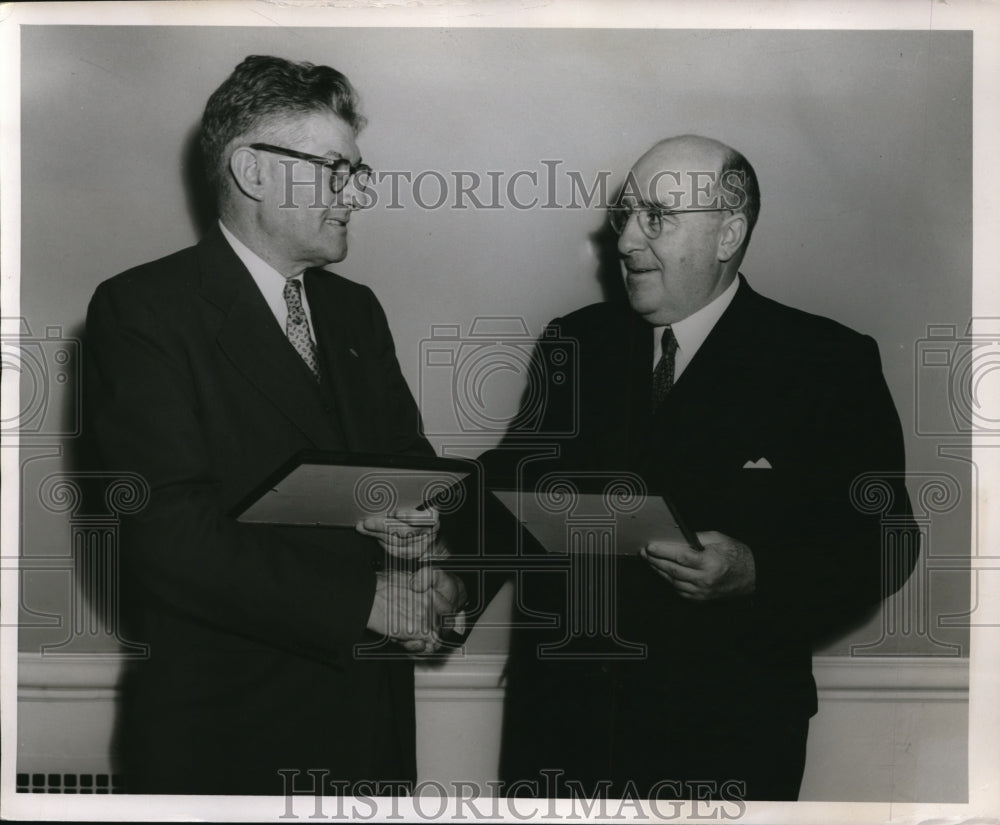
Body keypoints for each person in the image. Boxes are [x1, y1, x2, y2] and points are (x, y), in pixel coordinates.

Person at [488, 135, 919, 802]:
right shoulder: (575, 342)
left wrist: (757, 572)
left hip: (726, 740)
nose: (627, 241)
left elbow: (886, 543)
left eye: (657, 218)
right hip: (560, 734)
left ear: (728, 234)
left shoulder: (826, 361)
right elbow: (510, 489)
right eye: (626, 215)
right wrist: (443, 573)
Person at [84, 55, 466, 795]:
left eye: (358, 170)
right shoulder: (143, 311)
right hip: (229, 745)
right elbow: (166, 534)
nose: (357, 194)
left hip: (373, 737)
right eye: (335, 169)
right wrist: (371, 603)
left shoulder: (358, 310)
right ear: (254, 171)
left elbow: (408, 469)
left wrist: (428, 557)